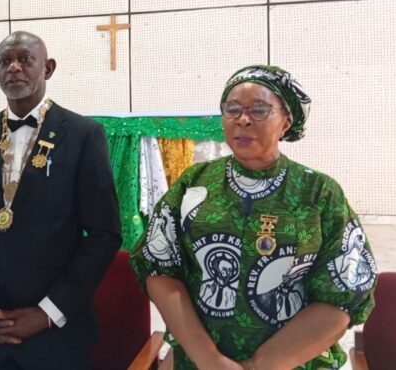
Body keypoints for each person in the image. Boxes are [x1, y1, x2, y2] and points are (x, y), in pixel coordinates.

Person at [131, 65, 377, 369]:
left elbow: (343, 296)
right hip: (198, 361)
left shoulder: (319, 192)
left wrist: (259, 365)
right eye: (232, 109)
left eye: (259, 110)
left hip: (295, 361)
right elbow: (159, 266)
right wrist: (209, 359)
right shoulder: (195, 182)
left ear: (286, 122)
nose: (243, 119)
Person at [0, 31, 122, 369]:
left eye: (25, 59)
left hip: (56, 333)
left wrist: (47, 312)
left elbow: (105, 234)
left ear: (48, 68)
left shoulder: (83, 134)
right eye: (5, 62)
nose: (14, 68)